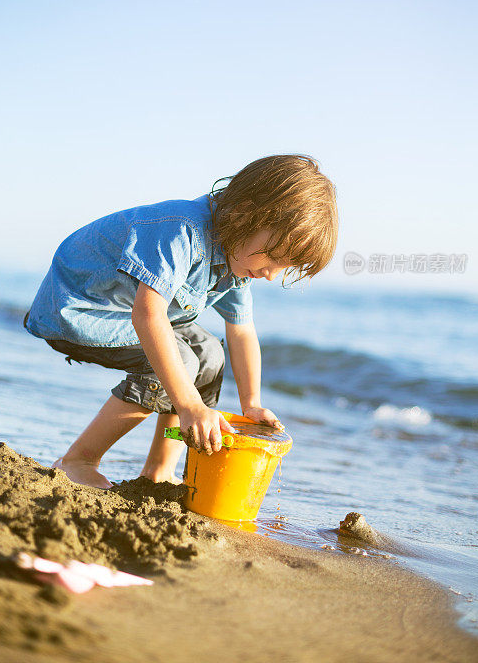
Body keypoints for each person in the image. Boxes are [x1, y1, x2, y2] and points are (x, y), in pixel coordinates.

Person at [24, 154, 338, 489]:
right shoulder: (181, 231)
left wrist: (252, 404)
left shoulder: (237, 255)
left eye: (285, 268)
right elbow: (148, 315)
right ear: (245, 214)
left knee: (209, 355)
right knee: (184, 360)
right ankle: (79, 460)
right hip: (79, 309)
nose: (273, 275)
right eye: (274, 257)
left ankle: (159, 469)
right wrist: (190, 406)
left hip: (124, 311)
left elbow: (242, 331)